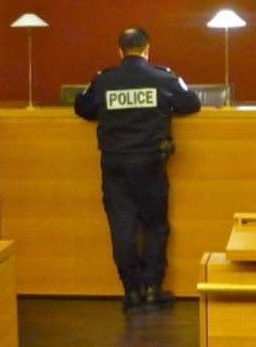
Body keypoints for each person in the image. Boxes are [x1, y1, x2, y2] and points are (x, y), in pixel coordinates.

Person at [74, 27, 201, 313]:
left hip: (114, 163)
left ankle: (131, 292)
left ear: (120, 51)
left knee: (122, 226)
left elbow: (82, 107)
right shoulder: (163, 77)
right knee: (155, 225)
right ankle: (153, 289)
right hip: (150, 162)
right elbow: (191, 103)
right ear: (147, 49)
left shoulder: (103, 80)